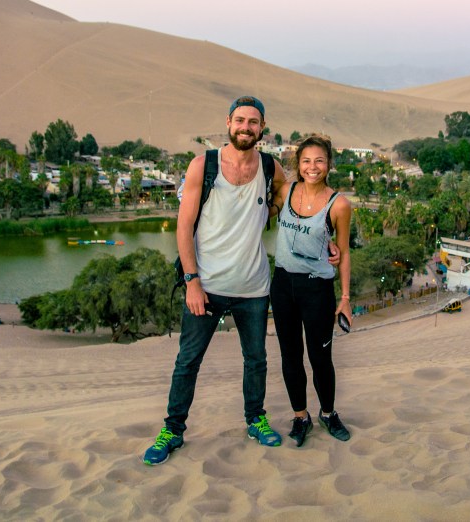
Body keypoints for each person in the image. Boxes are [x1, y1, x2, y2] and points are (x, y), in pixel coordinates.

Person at [143, 96, 288, 466]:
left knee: (255, 360)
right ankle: (172, 430)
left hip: (253, 287)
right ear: (228, 122)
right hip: (205, 287)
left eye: (253, 122)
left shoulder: (271, 167)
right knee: (188, 361)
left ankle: (255, 419)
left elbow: (291, 197)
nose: (246, 127)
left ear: (262, 129)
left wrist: (273, 210)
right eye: (240, 120)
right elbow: (183, 225)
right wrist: (192, 281)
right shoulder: (203, 166)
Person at [270, 133, 353, 447]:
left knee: (321, 358)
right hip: (282, 285)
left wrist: (344, 298)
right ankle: (300, 415)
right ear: (298, 164)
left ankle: (328, 414)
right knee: (290, 356)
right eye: (306, 161)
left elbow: (343, 253)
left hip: (317, 289)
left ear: (329, 164)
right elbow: (260, 210)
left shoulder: (339, 204)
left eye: (319, 160)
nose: (313, 167)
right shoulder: (286, 190)